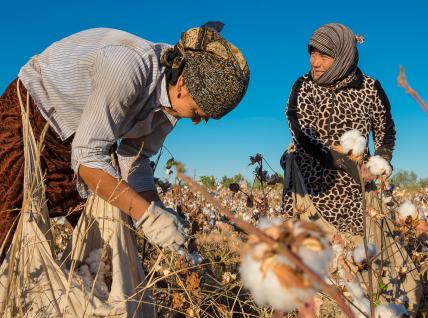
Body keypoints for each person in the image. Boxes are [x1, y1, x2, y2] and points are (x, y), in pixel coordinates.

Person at [0, 23, 249, 259]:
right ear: (182, 83)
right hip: (31, 116)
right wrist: (146, 216)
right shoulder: (128, 66)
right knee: (6, 220)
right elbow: (88, 155)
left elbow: (135, 156)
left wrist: (158, 212)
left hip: (84, 137)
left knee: (103, 242)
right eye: (197, 113)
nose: (195, 121)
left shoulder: (170, 108)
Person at [281, 23, 395, 235]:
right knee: (310, 261)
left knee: (362, 260)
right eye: (312, 54)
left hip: (358, 194)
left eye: (324, 56)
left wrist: (379, 162)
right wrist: (339, 160)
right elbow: (301, 132)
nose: (315, 62)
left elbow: (385, 130)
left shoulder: (369, 89)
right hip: (311, 193)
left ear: (343, 57)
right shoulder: (304, 86)